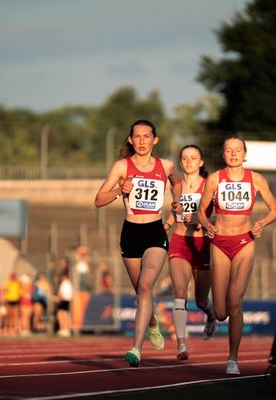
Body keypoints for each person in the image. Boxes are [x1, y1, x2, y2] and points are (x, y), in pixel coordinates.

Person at [94, 119, 183, 367]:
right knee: (140, 290)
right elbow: (98, 200)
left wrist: (176, 199)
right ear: (130, 140)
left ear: (155, 139)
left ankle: (136, 348)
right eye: (137, 137)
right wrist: (119, 190)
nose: (142, 141)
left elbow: (177, 182)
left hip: (155, 231)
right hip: (130, 233)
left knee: (145, 286)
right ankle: (153, 323)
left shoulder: (165, 165)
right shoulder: (122, 166)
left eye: (147, 136)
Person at [197, 135, 276, 375]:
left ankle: (232, 358)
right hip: (219, 243)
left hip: (244, 242)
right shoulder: (214, 179)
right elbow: (201, 211)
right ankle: (213, 314)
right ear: (223, 155)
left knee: (235, 300)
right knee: (222, 312)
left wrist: (261, 223)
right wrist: (207, 224)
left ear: (245, 154)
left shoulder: (256, 179)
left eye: (238, 150)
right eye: (228, 150)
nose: (233, 154)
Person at [163, 144, 216, 361]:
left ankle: (210, 316)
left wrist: (200, 221)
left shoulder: (209, 185)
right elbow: (174, 212)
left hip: (202, 244)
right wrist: (165, 226)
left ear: (201, 162)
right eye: (185, 158)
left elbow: (217, 217)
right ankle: (181, 344)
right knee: (179, 294)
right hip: (180, 242)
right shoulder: (176, 185)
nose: (188, 161)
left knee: (201, 300)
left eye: (193, 158)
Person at [54, 270, 73, 337]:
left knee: (61, 314)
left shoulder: (64, 283)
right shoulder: (70, 283)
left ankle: (63, 328)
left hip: (64, 300)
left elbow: (61, 294)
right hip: (68, 300)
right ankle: (67, 329)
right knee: (66, 314)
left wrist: (57, 299)